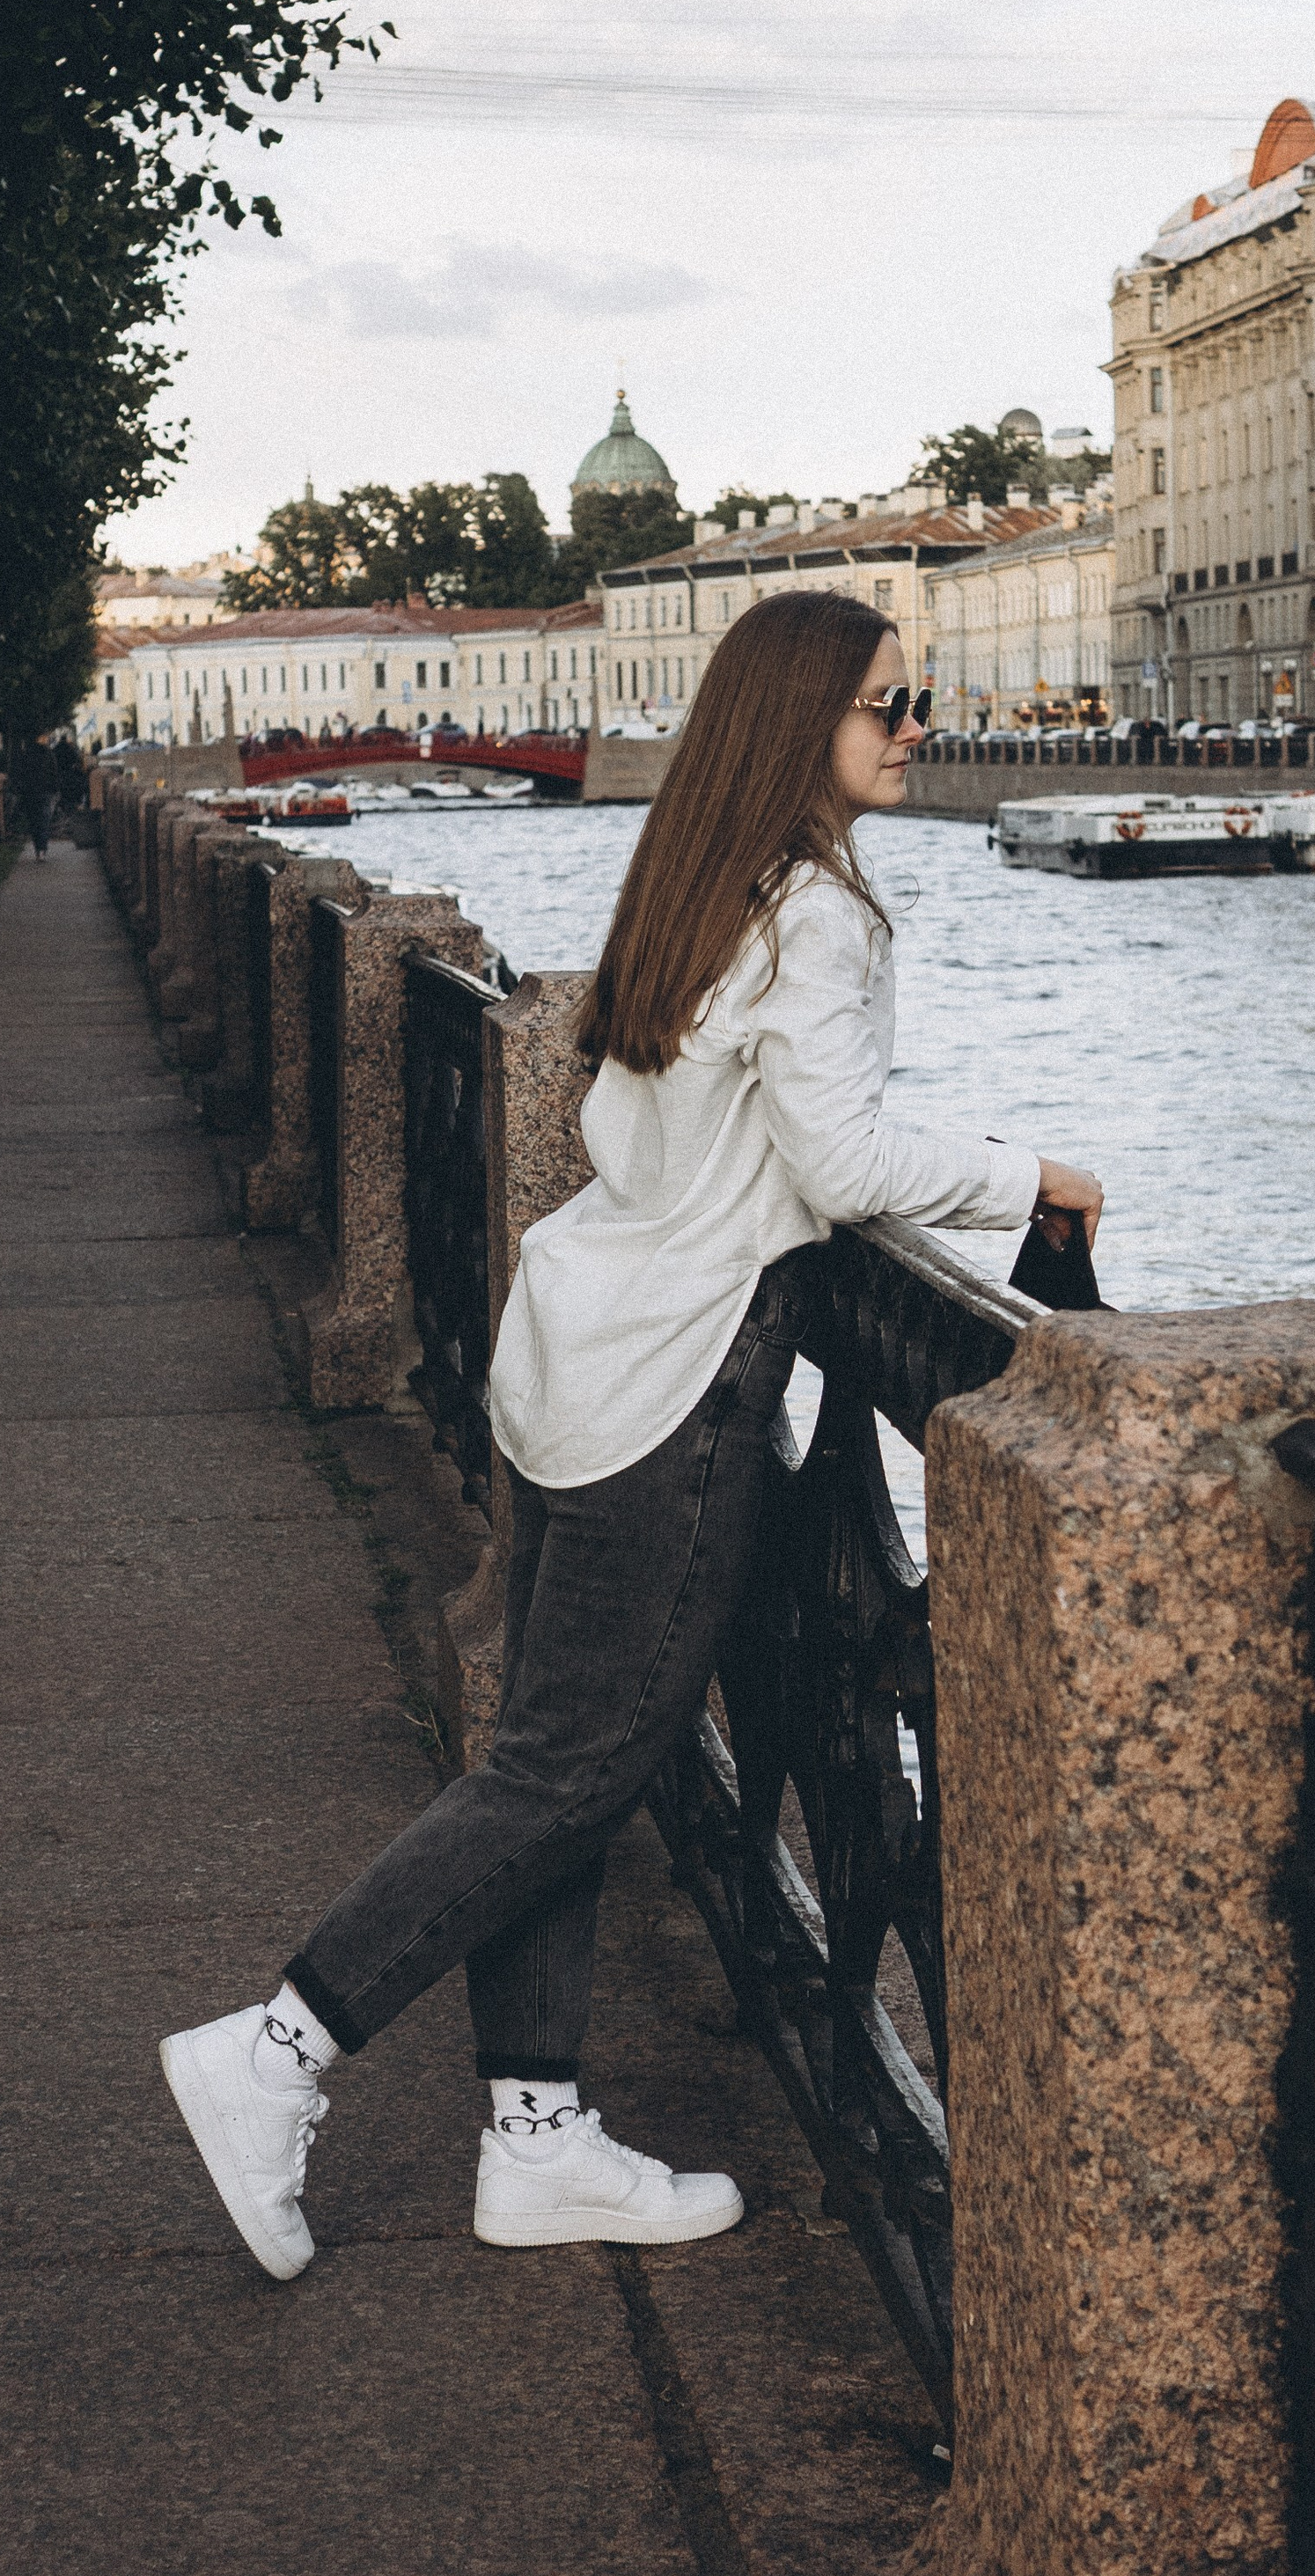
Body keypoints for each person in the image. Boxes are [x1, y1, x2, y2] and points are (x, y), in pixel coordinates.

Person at [159, 591, 1104, 2279]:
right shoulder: (816, 912)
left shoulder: (692, 887)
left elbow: (621, 1115)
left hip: (566, 1351)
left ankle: (536, 2138)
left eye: (921, 701)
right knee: (572, 1769)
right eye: (893, 705)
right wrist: (1030, 1177)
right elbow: (841, 1162)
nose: (919, 728)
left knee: (554, 1760)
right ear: (799, 720)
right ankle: (278, 2050)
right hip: (674, 1384)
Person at [8, 737, 53, 859]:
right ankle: (42, 849)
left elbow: (20, 774)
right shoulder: (48, 755)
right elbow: (53, 773)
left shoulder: (26, 755)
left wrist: (20, 789)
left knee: (34, 822)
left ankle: (38, 849)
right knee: (44, 821)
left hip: (30, 793)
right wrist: (54, 789)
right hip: (44, 791)